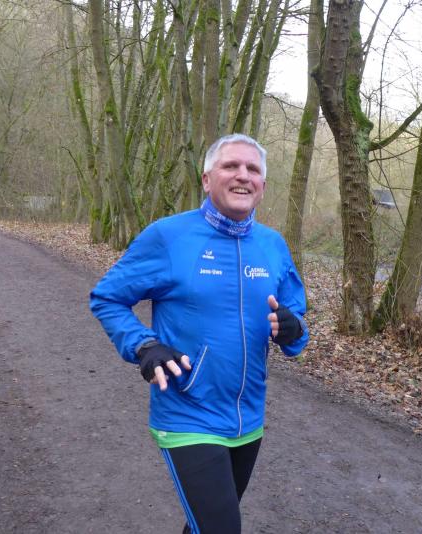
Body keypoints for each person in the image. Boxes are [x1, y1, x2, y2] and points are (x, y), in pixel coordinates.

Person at [89, 133, 309, 534]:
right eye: (230, 166)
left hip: (248, 419)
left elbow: (295, 324)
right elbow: (107, 297)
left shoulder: (273, 245)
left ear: (262, 186)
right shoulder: (168, 237)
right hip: (187, 413)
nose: (242, 175)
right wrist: (144, 345)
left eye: (253, 169)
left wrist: (292, 330)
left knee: (204, 526)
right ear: (207, 179)